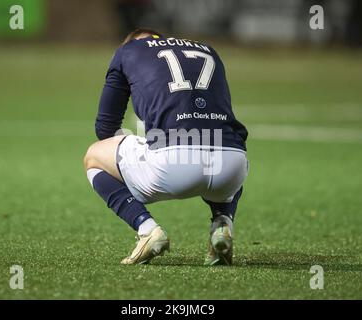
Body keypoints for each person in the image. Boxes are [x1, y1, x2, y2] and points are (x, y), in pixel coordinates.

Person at [83, 28, 249, 265]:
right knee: (225, 144)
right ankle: (222, 223)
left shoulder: (127, 51)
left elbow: (105, 130)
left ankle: (147, 229)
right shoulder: (209, 50)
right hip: (231, 166)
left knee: (93, 156)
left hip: (174, 164)